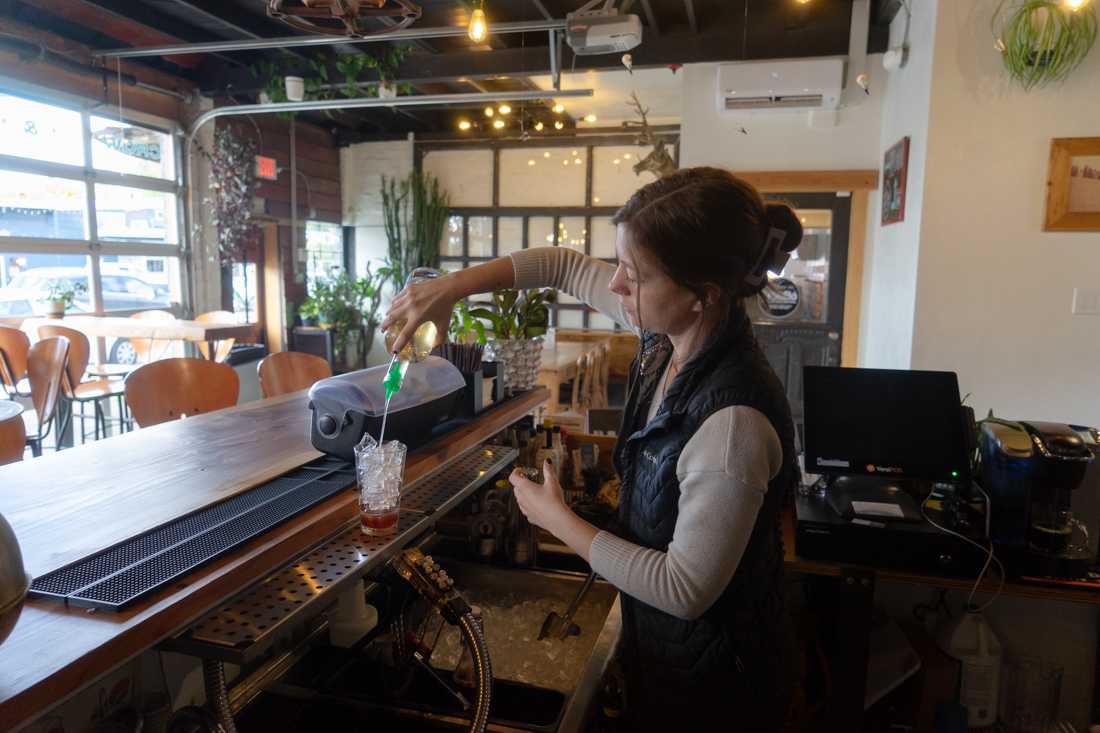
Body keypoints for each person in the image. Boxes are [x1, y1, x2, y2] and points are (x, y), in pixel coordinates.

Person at [383, 167, 803, 731]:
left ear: (703, 295)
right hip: (665, 661)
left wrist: (559, 521)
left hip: (719, 691)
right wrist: (450, 287)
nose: (615, 286)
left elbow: (684, 589)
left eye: (635, 274)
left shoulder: (733, 424)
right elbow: (561, 265)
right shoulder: (668, 336)